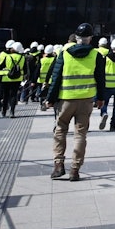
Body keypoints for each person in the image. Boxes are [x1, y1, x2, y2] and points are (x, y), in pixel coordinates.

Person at [47, 23, 100, 181]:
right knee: (80, 135)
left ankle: (58, 165)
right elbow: (101, 78)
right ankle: (75, 170)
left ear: (76, 37)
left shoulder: (64, 52)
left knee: (60, 130)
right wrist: (101, 98)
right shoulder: (96, 55)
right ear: (90, 38)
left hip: (66, 100)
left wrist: (50, 99)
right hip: (86, 100)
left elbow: (56, 77)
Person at [0, 43, 26, 117]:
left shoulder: (8, 57)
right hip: (17, 79)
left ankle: (3, 112)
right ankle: (12, 112)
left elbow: (0, 66)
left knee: (5, 95)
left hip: (6, 78)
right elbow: (25, 69)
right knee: (13, 95)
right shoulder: (22, 57)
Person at [38, 44, 58, 109]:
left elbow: (37, 70)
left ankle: (42, 104)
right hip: (51, 78)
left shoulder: (42, 60)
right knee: (50, 92)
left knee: (42, 92)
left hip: (42, 79)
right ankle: (49, 103)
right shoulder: (54, 60)